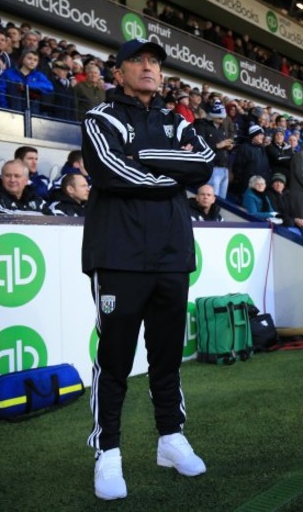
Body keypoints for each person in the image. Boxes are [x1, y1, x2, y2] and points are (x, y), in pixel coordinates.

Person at [81, 39, 215, 500]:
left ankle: (170, 438)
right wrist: (170, 176)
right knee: (115, 359)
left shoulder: (177, 119)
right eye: (138, 61)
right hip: (118, 254)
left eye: (155, 62)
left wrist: (146, 158)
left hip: (173, 253)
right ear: (118, 73)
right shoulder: (101, 118)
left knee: (167, 354)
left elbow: (203, 164)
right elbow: (111, 171)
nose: (149, 68)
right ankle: (108, 452)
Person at [0, 49, 53, 115]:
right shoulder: (8, 73)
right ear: (22, 59)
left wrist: (27, 85)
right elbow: (0, 92)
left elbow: (49, 87)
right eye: (29, 58)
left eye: (35, 60)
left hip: (31, 114)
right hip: (10, 113)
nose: (32, 62)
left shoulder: (38, 75)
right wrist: (5, 109)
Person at [197, 100, 233, 199]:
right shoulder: (202, 125)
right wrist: (217, 145)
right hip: (213, 168)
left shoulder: (221, 129)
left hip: (224, 168)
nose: (222, 119)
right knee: (212, 198)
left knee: (222, 201)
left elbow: (222, 146)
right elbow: (199, 145)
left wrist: (228, 147)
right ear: (213, 115)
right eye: (220, 117)